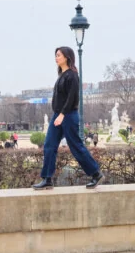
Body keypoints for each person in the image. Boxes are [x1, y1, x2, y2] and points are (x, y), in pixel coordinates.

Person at [33, 47, 103, 190]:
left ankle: (95, 173)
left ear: (66, 57)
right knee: (49, 145)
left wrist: (62, 114)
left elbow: (72, 98)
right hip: (58, 115)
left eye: (58, 55)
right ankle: (47, 179)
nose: (56, 58)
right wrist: (58, 115)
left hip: (68, 116)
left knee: (76, 146)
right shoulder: (62, 75)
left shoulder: (72, 75)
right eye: (55, 55)